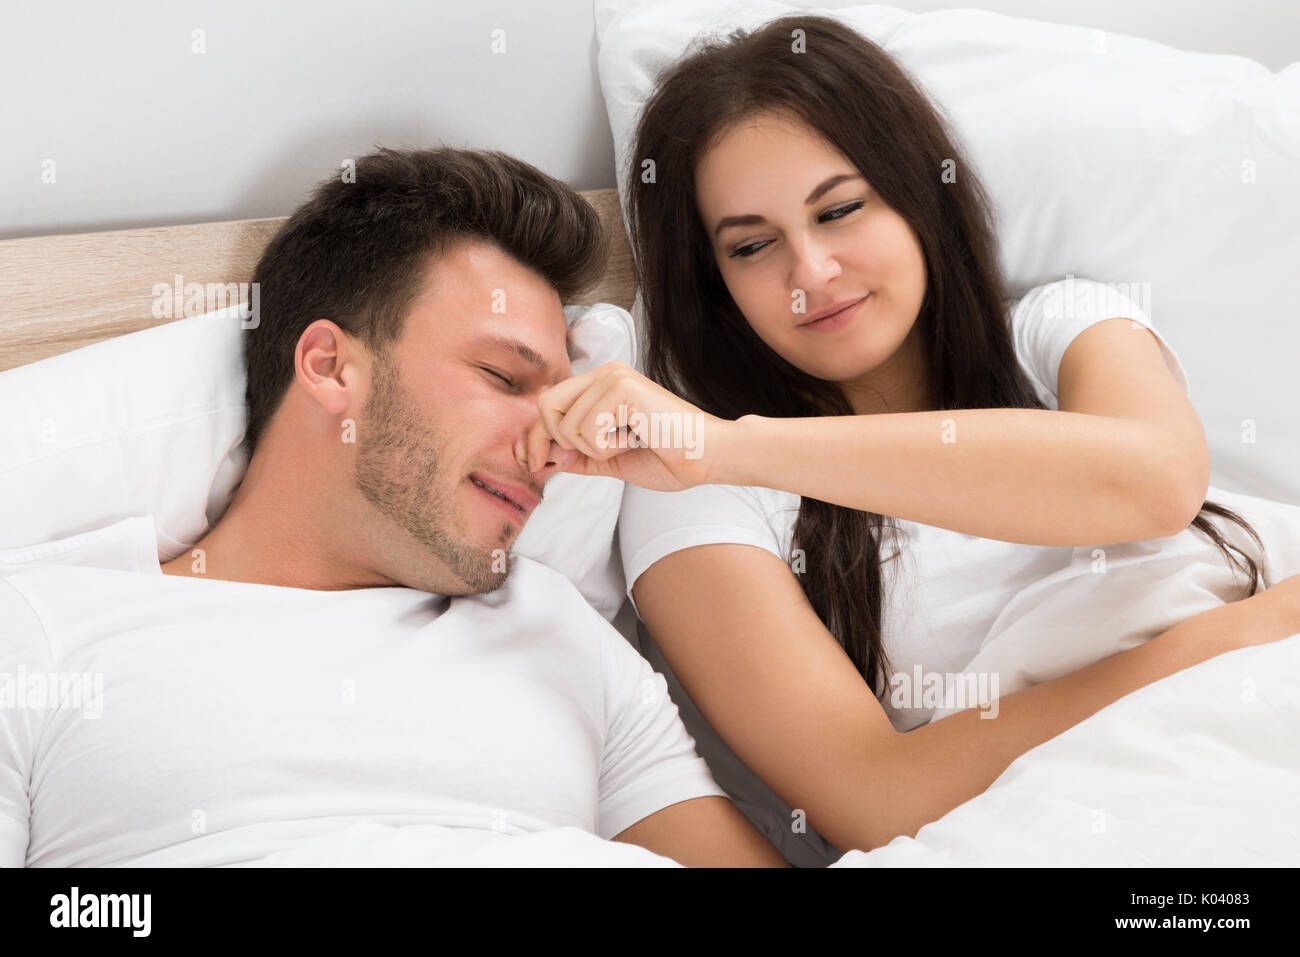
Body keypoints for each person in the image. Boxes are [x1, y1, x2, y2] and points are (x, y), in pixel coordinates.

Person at [521, 15, 1300, 865]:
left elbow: (1155, 484)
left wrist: (737, 443)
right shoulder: (695, 486)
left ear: (917, 192)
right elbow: (875, 798)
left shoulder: (1059, 329)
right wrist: (1233, 639)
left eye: (842, 209)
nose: (811, 273)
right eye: (752, 246)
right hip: (1118, 789)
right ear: (716, 286)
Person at [0, 146, 789, 868]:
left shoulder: (565, 634)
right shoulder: (43, 633)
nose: (552, 444)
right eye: (505, 378)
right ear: (330, 365)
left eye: (563, 399)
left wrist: (730, 450)